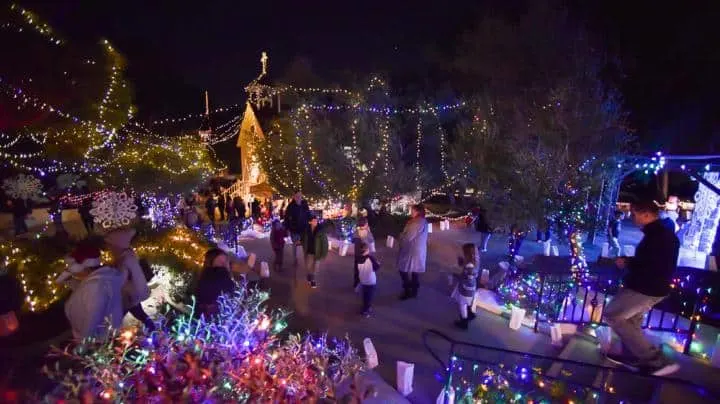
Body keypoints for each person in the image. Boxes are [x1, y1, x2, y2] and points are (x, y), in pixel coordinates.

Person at [605, 199, 680, 376]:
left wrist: (629, 263)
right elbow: (652, 262)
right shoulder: (660, 234)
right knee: (631, 322)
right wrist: (631, 262)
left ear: (646, 214)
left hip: (645, 288)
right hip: (651, 287)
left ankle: (655, 360)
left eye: (635, 214)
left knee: (613, 315)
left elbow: (653, 265)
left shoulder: (659, 236)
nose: (632, 217)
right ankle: (638, 357)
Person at [58, 242, 125, 339]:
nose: (73, 273)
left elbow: (93, 318)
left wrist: (84, 343)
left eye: (72, 269)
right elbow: (82, 289)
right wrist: (67, 279)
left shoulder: (96, 286)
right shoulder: (99, 279)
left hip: (99, 340)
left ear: (82, 267)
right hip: (105, 335)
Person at [104, 228, 153, 331]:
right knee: (137, 312)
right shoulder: (128, 255)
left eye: (110, 246)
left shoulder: (124, 260)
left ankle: (110, 333)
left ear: (117, 246)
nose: (109, 249)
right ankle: (151, 327)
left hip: (128, 295)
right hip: (131, 293)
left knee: (124, 312)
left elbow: (120, 278)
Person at [397, 204, 429, 300]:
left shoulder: (416, 223)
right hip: (418, 250)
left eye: (412, 210)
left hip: (412, 250)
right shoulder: (422, 221)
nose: (411, 212)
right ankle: (414, 290)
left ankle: (408, 290)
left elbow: (408, 237)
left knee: (403, 269)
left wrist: (401, 236)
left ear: (417, 211)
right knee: (415, 271)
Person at [195, 248, 236, 317]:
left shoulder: (205, 275)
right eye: (221, 262)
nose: (225, 264)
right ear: (211, 262)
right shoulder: (220, 273)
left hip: (204, 315)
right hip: (217, 314)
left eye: (226, 261)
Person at [453, 243, 479, 330]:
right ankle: (470, 314)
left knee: (462, 304)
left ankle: (464, 322)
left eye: (464, 253)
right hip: (471, 289)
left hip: (466, 289)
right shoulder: (475, 261)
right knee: (467, 303)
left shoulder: (469, 266)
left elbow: (468, 278)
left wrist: (457, 276)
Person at [284, 191, 311, 266]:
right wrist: (287, 229)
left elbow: (308, 214)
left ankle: (306, 259)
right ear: (294, 197)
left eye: (300, 196)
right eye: (297, 196)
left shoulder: (304, 205)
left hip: (304, 229)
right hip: (294, 229)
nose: (299, 198)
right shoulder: (291, 206)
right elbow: (286, 218)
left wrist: (311, 222)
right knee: (295, 245)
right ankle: (295, 259)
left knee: (305, 245)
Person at [301, 215, 328, 288]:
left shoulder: (320, 230)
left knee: (315, 268)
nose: (315, 222)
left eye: (316, 221)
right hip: (309, 252)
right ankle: (309, 275)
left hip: (317, 253)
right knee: (308, 267)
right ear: (310, 222)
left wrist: (324, 254)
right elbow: (303, 239)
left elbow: (325, 243)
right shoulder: (306, 230)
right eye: (314, 221)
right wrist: (304, 246)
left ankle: (313, 280)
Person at [354, 241, 380, 317]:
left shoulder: (358, 259)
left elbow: (356, 271)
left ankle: (366, 307)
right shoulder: (371, 258)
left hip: (363, 280)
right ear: (367, 250)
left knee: (365, 295)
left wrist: (357, 282)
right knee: (369, 296)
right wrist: (378, 263)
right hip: (371, 281)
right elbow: (376, 267)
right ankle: (366, 310)